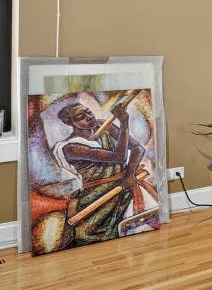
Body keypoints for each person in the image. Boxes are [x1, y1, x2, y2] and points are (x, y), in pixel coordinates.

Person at [52, 98, 150, 245]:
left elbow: (137, 148)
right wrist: (124, 123)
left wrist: (129, 175)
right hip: (95, 197)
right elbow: (118, 157)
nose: (89, 117)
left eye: (88, 112)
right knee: (88, 237)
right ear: (69, 122)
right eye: (81, 116)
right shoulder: (70, 147)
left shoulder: (105, 127)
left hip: (124, 188)